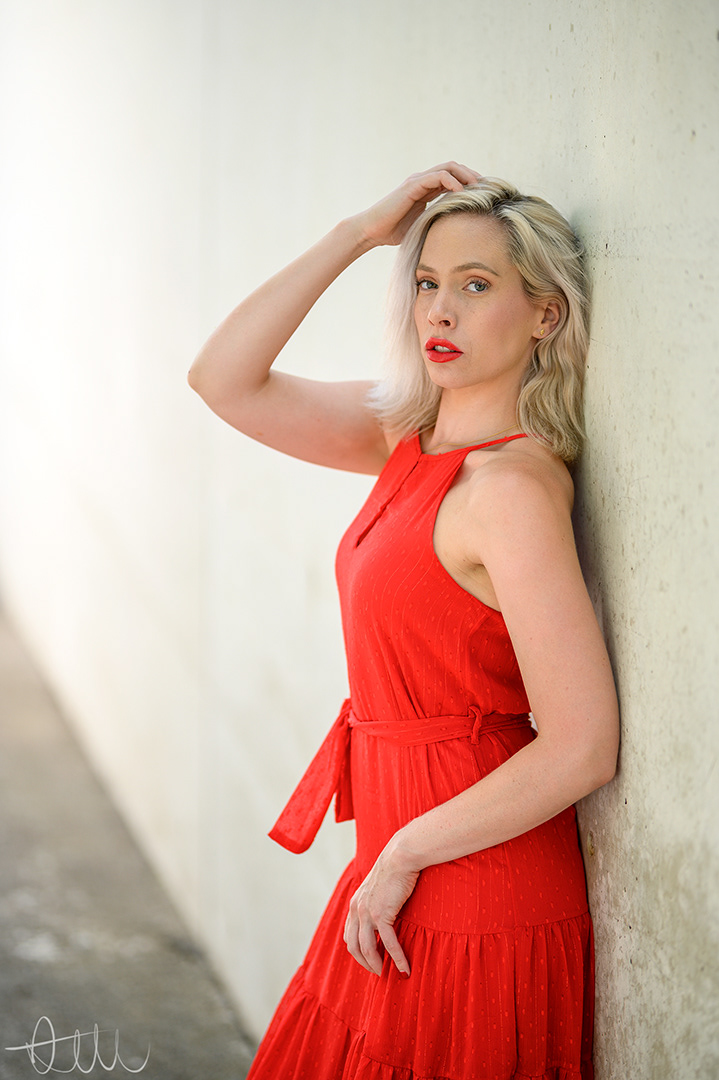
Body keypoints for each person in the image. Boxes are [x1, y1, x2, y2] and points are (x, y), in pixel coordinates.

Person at [188, 162, 619, 1080]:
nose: (440, 312)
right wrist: (357, 234)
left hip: (472, 877)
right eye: (426, 284)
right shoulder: (407, 440)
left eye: (476, 286)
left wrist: (403, 852)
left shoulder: (510, 491)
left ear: (544, 315)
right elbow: (223, 379)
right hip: (397, 857)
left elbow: (582, 745)